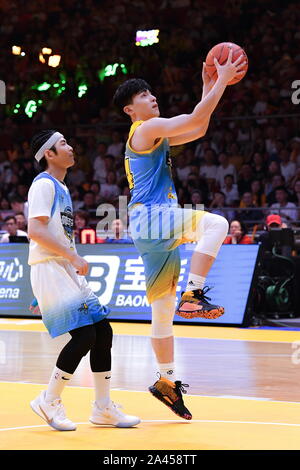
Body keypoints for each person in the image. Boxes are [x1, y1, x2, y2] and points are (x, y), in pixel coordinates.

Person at [113, 51, 245, 420]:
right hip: (153, 217)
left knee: (161, 315)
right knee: (216, 224)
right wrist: (222, 78)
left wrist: (208, 84)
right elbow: (194, 117)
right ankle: (194, 293)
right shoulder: (145, 129)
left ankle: (166, 382)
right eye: (143, 96)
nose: (152, 97)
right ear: (130, 110)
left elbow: (199, 126)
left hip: (147, 228)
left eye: (151, 93)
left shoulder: (153, 133)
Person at [28, 130, 140, 431]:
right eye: (63, 143)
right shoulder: (43, 184)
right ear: (49, 154)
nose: (71, 146)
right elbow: (36, 232)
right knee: (85, 336)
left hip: (61, 268)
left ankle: (103, 408)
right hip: (52, 267)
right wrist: (74, 259)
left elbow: (52, 232)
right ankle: (48, 399)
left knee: (103, 331)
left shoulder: (61, 187)